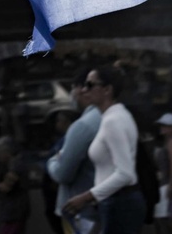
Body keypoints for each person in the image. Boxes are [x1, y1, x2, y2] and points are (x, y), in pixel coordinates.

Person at [62, 65, 146, 233]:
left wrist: (86, 197)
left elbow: (125, 173)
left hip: (120, 203)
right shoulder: (116, 116)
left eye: (91, 85)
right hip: (118, 202)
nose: (84, 90)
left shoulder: (113, 121)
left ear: (107, 90)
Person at [47, 71, 101, 234]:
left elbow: (63, 173)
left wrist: (52, 162)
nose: (72, 94)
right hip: (97, 208)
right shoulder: (110, 117)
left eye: (72, 88)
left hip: (81, 212)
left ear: (82, 89)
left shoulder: (83, 126)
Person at [0, 136, 30, 234]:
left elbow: (6, 188)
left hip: (15, 212)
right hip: (15, 211)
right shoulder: (12, 164)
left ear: (6, 151)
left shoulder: (15, 165)